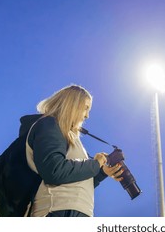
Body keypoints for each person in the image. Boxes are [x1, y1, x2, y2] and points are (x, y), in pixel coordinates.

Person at [21, 84, 123, 217]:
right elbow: (54, 171)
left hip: (75, 212)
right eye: (86, 108)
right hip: (57, 210)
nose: (87, 116)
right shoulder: (49, 124)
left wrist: (102, 172)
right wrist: (95, 164)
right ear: (72, 104)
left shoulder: (71, 136)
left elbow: (76, 182)